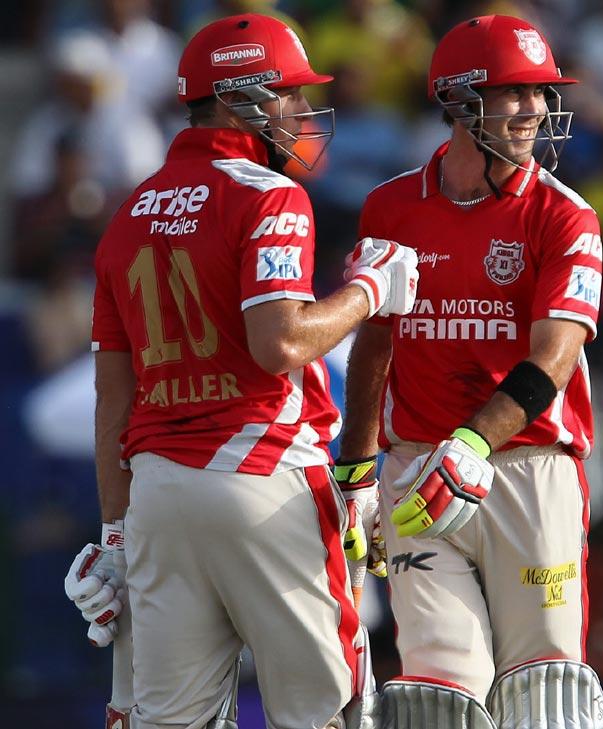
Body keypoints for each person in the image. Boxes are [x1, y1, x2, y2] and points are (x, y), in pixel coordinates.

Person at [63, 13, 419, 729]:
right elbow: (280, 344)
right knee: (327, 711)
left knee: (168, 721)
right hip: (263, 479)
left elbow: (113, 396)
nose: (300, 111)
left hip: (159, 495)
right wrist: (370, 290)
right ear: (245, 98)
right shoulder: (268, 194)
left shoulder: (130, 211)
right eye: (288, 93)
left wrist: (113, 531)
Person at [337, 14, 603, 729]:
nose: (535, 110)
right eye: (513, 92)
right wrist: (356, 470)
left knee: (544, 697)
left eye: (540, 93)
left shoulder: (565, 215)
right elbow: (374, 345)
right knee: (439, 697)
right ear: (459, 101)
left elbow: (554, 355)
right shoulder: (391, 206)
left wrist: (474, 443)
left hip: (527, 468)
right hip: (416, 476)